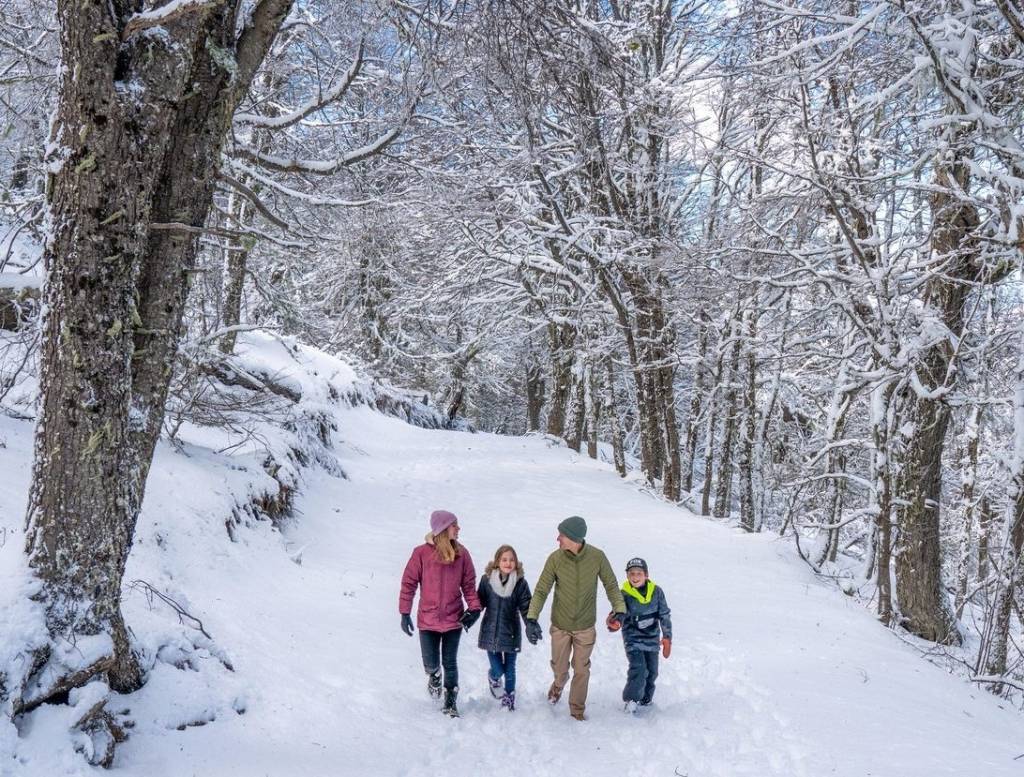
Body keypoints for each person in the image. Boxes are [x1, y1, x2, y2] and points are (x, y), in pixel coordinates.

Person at [525, 515, 626, 721]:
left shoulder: (597, 557)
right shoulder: (555, 559)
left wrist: (619, 608)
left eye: (561, 535)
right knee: (560, 669)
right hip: (561, 626)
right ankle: (558, 685)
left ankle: (577, 710)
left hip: (585, 626)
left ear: (574, 538)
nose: (558, 539)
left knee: (582, 669)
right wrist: (532, 618)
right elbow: (542, 590)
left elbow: (611, 585)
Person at [399, 509, 481, 718]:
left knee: (450, 662)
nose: (459, 528)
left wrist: (474, 608)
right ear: (444, 529)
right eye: (455, 525)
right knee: (431, 663)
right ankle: (434, 676)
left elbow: (469, 586)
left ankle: (451, 701)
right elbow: (409, 584)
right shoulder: (421, 554)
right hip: (428, 620)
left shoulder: (462, 554)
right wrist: (404, 612)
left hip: (454, 619)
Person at [608, 557, 672, 713]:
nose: (635, 577)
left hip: (652, 638)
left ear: (646, 575)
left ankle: (645, 699)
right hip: (633, 638)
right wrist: (615, 621)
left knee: (652, 671)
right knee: (639, 668)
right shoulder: (624, 594)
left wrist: (667, 637)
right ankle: (631, 700)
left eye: (638, 573)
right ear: (627, 576)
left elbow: (664, 614)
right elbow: (619, 612)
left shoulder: (657, 592)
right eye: (631, 574)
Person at [476, 544, 533, 711]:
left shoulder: (520, 583)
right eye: (504, 559)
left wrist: (531, 624)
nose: (508, 563)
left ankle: (509, 696)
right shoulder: (486, 581)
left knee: (510, 668)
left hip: (511, 632)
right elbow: (479, 602)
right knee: (498, 669)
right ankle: (493, 677)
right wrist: (470, 615)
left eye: (511, 559)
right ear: (497, 561)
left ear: (516, 562)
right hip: (491, 632)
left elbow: (526, 607)